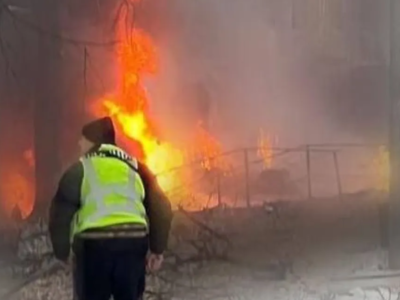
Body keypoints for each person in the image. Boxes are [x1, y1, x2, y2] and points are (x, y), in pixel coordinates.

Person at [49, 116, 173, 300]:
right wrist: (157, 250)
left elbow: (60, 211)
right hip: (133, 244)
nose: (78, 143)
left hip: (94, 246)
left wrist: (62, 252)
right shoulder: (137, 168)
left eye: (82, 139)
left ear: (92, 142)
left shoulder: (81, 169)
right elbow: (161, 208)